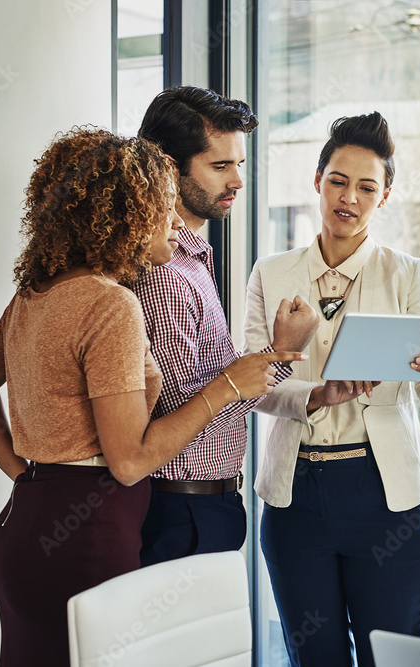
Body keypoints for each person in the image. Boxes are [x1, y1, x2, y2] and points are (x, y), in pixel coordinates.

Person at [0, 127, 305, 667]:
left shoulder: (33, 296)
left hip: (21, 528)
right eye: (162, 208)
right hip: (86, 537)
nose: (175, 223)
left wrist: (27, 476)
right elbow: (130, 461)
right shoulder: (109, 304)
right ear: (123, 217)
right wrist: (229, 387)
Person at [244, 111, 420, 667]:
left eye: (367, 187)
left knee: (389, 659)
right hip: (297, 496)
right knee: (313, 656)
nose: (349, 198)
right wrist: (316, 394)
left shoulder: (408, 273)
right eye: (338, 182)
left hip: (387, 496)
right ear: (317, 182)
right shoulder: (270, 273)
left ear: (384, 196)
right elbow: (249, 388)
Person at [129, 86, 319, 566]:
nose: (238, 180)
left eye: (239, 164)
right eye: (221, 167)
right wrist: (280, 353)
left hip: (199, 504)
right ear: (170, 169)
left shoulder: (192, 255)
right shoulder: (165, 270)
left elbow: (215, 389)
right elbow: (181, 406)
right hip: (181, 507)